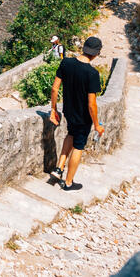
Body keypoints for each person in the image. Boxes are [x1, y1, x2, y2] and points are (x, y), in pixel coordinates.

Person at [49, 36, 105, 191]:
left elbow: (55, 88)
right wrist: (96, 125)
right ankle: (68, 182)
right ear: (96, 54)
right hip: (83, 117)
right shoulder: (92, 73)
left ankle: (59, 168)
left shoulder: (66, 62)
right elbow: (91, 104)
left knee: (70, 135)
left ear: (83, 48)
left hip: (68, 111)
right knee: (78, 146)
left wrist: (53, 110)